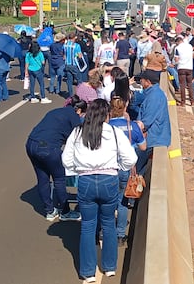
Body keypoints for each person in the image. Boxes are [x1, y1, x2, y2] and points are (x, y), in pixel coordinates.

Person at [62, 99, 137, 283]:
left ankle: (88, 272)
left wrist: (79, 169)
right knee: (109, 223)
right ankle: (109, 267)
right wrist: (119, 167)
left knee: (87, 226)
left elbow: (66, 160)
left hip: (86, 181)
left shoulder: (77, 132)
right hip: (109, 180)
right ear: (106, 115)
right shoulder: (114, 132)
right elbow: (131, 158)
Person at [27, 95, 87, 221]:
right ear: (79, 111)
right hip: (49, 148)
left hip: (31, 143)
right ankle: (65, 212)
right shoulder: (74, 117)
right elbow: (78, 139)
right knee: (59, 179)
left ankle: (49, 211)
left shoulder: (56, 111)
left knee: (43, 179)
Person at [108, 96, 146, 246]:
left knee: (108, 201)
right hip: (126, 168)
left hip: (108, 168)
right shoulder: (132, 126)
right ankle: (120, 235)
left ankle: (105, 230)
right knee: (122, 202)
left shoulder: (106, 127)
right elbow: (143, 147)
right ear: (125, 109)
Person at [173, 35, 194, 106]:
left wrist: (175, 63)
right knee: (190, 84)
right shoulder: (190, 46)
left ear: (178, 42)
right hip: (189, 67)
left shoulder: (177, 48)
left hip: (181, 67)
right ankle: (192, 101)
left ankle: (183, 102)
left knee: (182, 85)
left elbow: (176, 59)